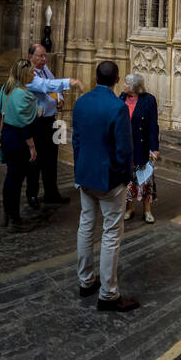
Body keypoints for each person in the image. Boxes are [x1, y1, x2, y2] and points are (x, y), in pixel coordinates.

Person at [72, 60, 138, 312]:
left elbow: (76, 139)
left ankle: (86, 280)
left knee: (86, 227)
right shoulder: (117, 107)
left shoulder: (81, 102)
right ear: (116, 80)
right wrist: (125, 178)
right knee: (111, 234)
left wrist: (80, 168)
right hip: (109, 179)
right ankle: (108, 293)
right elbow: (124, 150)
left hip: (85, 174)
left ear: (95, 77)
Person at [24, 42, 79, 208]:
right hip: (36, 122)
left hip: (50, 120)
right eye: (40, 56)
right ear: (30, 56)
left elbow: (54, 84)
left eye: (44, 55)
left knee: (51, 157)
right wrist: (70, 81)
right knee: (34, 159)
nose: (43, 59)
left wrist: (60, 100)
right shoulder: (29, 74)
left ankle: (51, 193)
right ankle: (32, 194)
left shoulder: (45, 69)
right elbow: (45, 86)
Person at [0, 59, 45, 233]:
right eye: (32, 72)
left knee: (10, 178)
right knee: (16, 181)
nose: (34, 74)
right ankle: (15, 220)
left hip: (8, 137)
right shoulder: (24, 95)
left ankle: (8, 213)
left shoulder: (7, 88)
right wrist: (32, 147)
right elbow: (24, 124)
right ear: (24, 74)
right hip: (19, 142)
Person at [121, 72, 161, 224]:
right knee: (128, 180)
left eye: (126, 83)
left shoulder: (148, 100)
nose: (123, 85)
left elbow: (153, 126)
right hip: (126, 146)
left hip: (142, 146)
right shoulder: (122, 98)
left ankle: (147, 210)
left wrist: (154, 148)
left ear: (133, 86)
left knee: (146, 180)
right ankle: (129, 208)